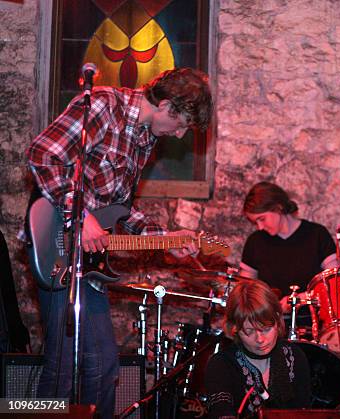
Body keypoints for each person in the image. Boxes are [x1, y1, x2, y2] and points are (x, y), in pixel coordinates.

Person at [25, 67, 213, 418]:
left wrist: (164, 239)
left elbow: (119, 209)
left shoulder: (143, 139)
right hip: (58, 247)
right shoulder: (102, 105)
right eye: (182, 124)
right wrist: (79, 217)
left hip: (88, 260)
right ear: (166, 105)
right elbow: (42, 154)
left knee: (103, 366)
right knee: (63, 368)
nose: (180, 134)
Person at [203, 279, 311, 418]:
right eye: (249, 331)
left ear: (277, 320)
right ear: (234, 328)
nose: (260, 339)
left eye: (266, 329)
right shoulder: (221, 365)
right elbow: (221, 412)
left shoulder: (295, 356)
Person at [239, 182, 338, 311]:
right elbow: (245, 288)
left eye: (262, 219)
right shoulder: (255, 242)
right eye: (255, 222)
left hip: (314, 320)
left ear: (278, 208)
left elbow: (335, 281)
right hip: (272, 324)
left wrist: (301, 299)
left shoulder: (317, 234)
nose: (260, 227)